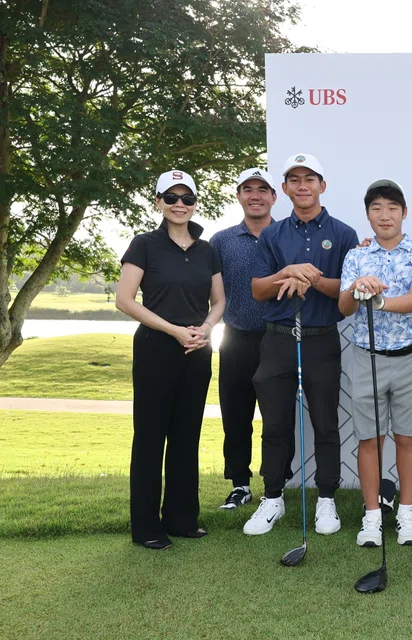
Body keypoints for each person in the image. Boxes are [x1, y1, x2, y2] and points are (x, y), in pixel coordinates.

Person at [242, 153, 359, 537]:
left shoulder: (343, 234)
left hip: (321, 339)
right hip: (277, 339)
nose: (303, 185)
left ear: (322, 186)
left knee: (325, 422)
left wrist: (311, 278)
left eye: (311, 179)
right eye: (295, 180)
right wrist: (287, 272)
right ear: (286, 189)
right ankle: (273, 496)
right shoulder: (272, 235)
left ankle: (327, 498)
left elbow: (348, 294)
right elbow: (259, 290)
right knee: (275, 421)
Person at [116, 169, 225, 550]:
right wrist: (174, 330)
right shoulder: (144, 244)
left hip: (196, 350)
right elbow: (125, 300)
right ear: (159, 201)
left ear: (195, 203)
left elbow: (219, 300)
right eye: (172, 197)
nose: (180, 205)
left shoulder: (206, 249)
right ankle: (147, 527)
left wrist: (207, 328)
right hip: (155, 349)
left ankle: (181, 518)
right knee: (150, 438)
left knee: (185, 436)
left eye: (187, 198)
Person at [338, 179, 412, 547]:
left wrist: (376, 301)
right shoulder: (356, 256)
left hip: (410, 357)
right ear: (367, 215)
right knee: (369, 440)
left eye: (392, 208)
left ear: (404, 213)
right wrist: (355, 289)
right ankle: (372, 517)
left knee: (407, 437)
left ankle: (407, 514)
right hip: (366, 357)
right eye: (377, 208)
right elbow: (343, 308)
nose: (385, 215)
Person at [209, 168, 277, 511]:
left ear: (273, 197)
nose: (255, 195)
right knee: (236, 416)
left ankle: (273, 486)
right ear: (238, 196)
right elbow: (213, 294)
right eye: (247, 189)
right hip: (235, 338)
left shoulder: (285, 235)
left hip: (276, 338)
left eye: (262, 189)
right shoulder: (221, 241)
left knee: (275, 418)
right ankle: (239, 484)